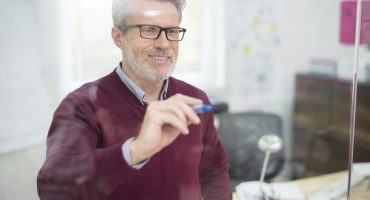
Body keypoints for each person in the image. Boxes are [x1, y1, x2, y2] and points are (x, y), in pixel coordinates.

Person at [37, 0, 232, 199]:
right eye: (148, 30)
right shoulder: (80, 105)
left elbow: (213, 167)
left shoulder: (195, 99)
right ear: (118, 37)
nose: (164, 44)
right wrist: (137, 149)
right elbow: (52, 190)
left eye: (172, 31)